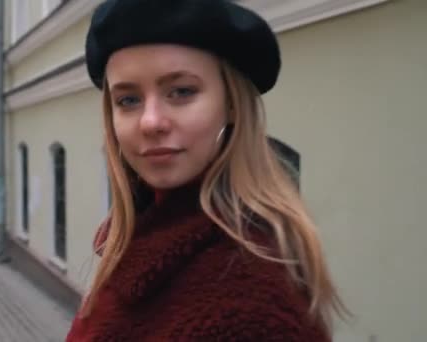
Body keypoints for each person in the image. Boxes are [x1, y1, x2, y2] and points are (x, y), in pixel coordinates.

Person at [67, 0, 348, 340]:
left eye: (182, 91)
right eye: (128, 100)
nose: (151, 121)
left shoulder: (249, 302)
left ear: (231, 104)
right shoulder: (141, 234)